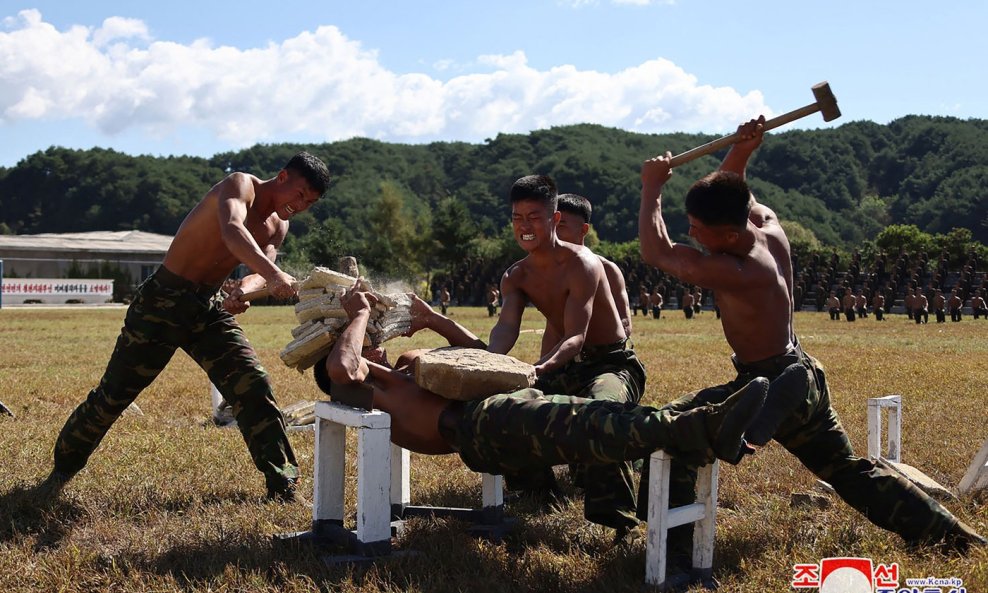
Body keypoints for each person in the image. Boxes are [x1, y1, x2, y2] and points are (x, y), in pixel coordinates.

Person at [637, 116, 984, 564]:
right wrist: (742, 150)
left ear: (725, 234)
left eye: (697, 228)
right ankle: (951, 536)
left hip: (768, 386)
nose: (691, 234)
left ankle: (671, 551)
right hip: (801, 373)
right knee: (847, 470)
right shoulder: (767, 227)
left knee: (673, 429)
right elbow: (734, 189)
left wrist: (651, 188)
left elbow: (657, 251)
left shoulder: (736, 271)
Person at [42, 152, 331, 501]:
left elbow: (259, 270)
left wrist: (244, 290)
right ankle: (62, 469)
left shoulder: (278, 226)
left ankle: (283, 483)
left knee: (252, 385)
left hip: (205, 308)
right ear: (283, 176)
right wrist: (273, 276)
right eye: (299, 195)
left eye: (309, 203)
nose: (300, 206)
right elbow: (233, 231)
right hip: (162, 300)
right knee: (114, 396)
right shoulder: (240, 185)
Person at [315, 285, 768, 502]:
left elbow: (480, 359)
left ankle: (721, 405)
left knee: (597, 417)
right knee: (589, 424)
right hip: (479, 428)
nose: (369, 338)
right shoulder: (352, 383)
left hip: (496, 408)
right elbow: (342, 365)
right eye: (358, 337)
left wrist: (435, 320)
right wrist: (354, 316)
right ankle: (704, 427)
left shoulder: (400, 367)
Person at [486, 175, 647, 536]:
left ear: (555, 218)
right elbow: (506, 328)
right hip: (564, 365)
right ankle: (537, 491)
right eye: (517, 218)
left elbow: (576, 336)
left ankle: (620, 518)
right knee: (505, 407)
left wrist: (538, 369)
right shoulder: (516, 275)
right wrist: (490, 364)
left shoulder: (583, 263)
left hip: (610, 364)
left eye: (534, 217)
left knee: (602, 410)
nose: (524, 227)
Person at [553, 193, 633, 339]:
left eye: (561, 226)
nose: (554, 233)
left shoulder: (607, 270)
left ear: (584, 230)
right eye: (552, 225)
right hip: (562, 355)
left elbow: (625, 324)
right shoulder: (548, 271)